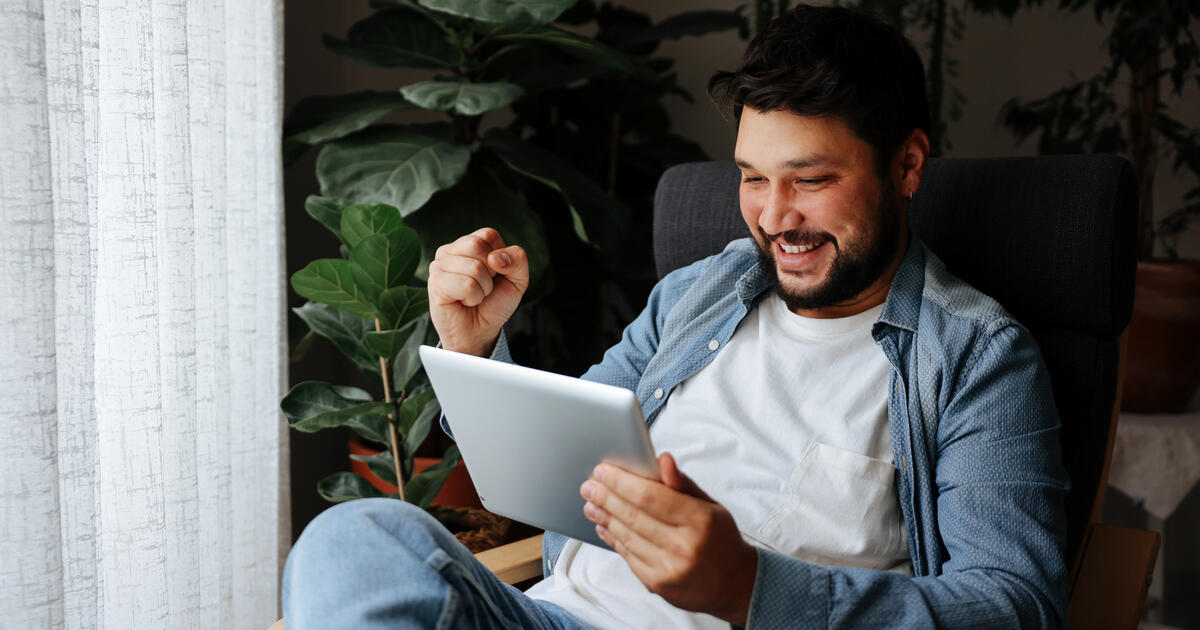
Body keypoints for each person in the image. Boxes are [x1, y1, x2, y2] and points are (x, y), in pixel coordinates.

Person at [282, 4, 1070, 629]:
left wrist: (750, 589)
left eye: (811, 179)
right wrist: (476, 353)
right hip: (557, 617)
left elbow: (1016, 606)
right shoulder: (703, 290)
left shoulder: (976, 358)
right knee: (354, 541)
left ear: (907, 164)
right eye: (753, 178)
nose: (773, 217)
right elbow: (570, 468)